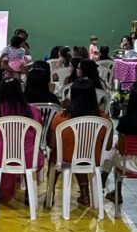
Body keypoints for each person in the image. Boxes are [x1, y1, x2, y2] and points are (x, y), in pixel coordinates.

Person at [48, 79, 112, 207]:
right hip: (93, 160)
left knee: (56, 157)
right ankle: (85, 193)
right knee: (81, 154)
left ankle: (50, 193)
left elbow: (52, 145)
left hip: (66, 159)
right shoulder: (104, 119)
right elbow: (108, 146)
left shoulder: (60, 118)